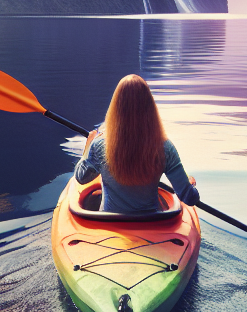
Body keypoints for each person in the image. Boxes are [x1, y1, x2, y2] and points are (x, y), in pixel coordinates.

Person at [74, 74, 200, 214]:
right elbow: (189, 198)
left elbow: (81, 178)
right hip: (150, 222)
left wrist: (88, 146)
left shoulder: (99, 145)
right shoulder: (165, 147)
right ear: (150, 107)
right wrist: (189, 184)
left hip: (110, 223)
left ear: (116, 106)